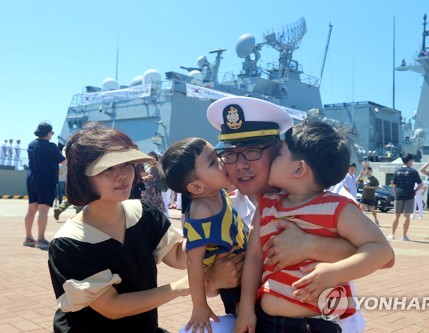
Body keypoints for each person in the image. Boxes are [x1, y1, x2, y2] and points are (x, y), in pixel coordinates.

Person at [207, 96, 393, 332]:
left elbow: (385, 256)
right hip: (260, 320)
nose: (240, 165)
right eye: (231, 154)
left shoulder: (331, 198)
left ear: (277, 151)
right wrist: (212, 279)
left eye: (252, 151)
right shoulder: (224, 211)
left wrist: (310, 245)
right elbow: (205, 278)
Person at [48, 123, 242, 333]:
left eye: (126, 164)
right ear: (82, 178)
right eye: (108, 169)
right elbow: (112, 307)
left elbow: (177, 255)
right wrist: (200, 281)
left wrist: (211, 232)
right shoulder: (69, 242)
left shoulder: (142, 212)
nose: (122, 175)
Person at [161, 138, 247, 333]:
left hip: (242, 268)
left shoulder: (218, 192)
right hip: (234, 286)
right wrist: (199, 306)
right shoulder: (202, 211)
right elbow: (193, 262)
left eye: (217, 155)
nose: (222, 162)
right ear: (197, 187)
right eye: (212, 162)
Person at [24, 122, 65, 249]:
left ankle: (28, 237)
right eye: (51, 133)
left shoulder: (31, 144)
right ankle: (41, 239)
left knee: (31, 210)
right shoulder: (51, 146)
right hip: (46, 181)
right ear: (48, 133)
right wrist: (64, 151)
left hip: (31, 179)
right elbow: (64, 161)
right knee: (43, 210)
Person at [387, 153, 423, 241]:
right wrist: (415, 191)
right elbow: (421, 184)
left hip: (399, 195)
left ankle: (392, 234)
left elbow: (394, 185)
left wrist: (395, 194)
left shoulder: (397, 171)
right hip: (409, 195)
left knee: (396, 215)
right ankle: (404, 236)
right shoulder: (413, 172)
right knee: (407, 216)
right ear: (410, 161)